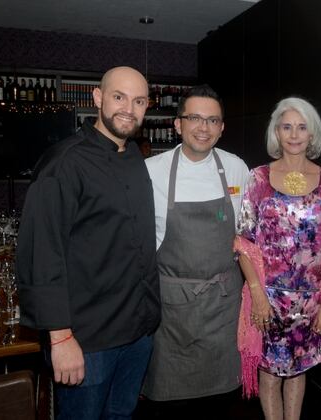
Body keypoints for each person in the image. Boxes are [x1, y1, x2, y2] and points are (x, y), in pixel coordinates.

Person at [16, 66, 160, 419]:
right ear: (97, 98)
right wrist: (60, 338)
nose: (129, 109)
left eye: (139, 101)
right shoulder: (63, 163)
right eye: (119, 97)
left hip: (137, 331)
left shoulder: (134, 158)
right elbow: (40, 255)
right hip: (88, 340)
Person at [141, 85, 250, 416]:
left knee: (223, 403)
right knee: (170, 404)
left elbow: (247, 237)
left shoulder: (236, 169)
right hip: (172, 313)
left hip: (223, 309)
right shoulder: (151, 171)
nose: (204, 128)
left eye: (212, 120)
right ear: (178, 124)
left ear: (222, 127)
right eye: (195, 118)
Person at [235, 97, 321, 420]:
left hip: (310, 303)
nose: (294, 135)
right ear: (276, 133)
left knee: (298, 372)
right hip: (267, 300)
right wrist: (257, 295)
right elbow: (243, 242)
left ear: (312, 134)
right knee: (269, 374)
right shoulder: (258, 178)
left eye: (302, 127)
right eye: (287, 127)